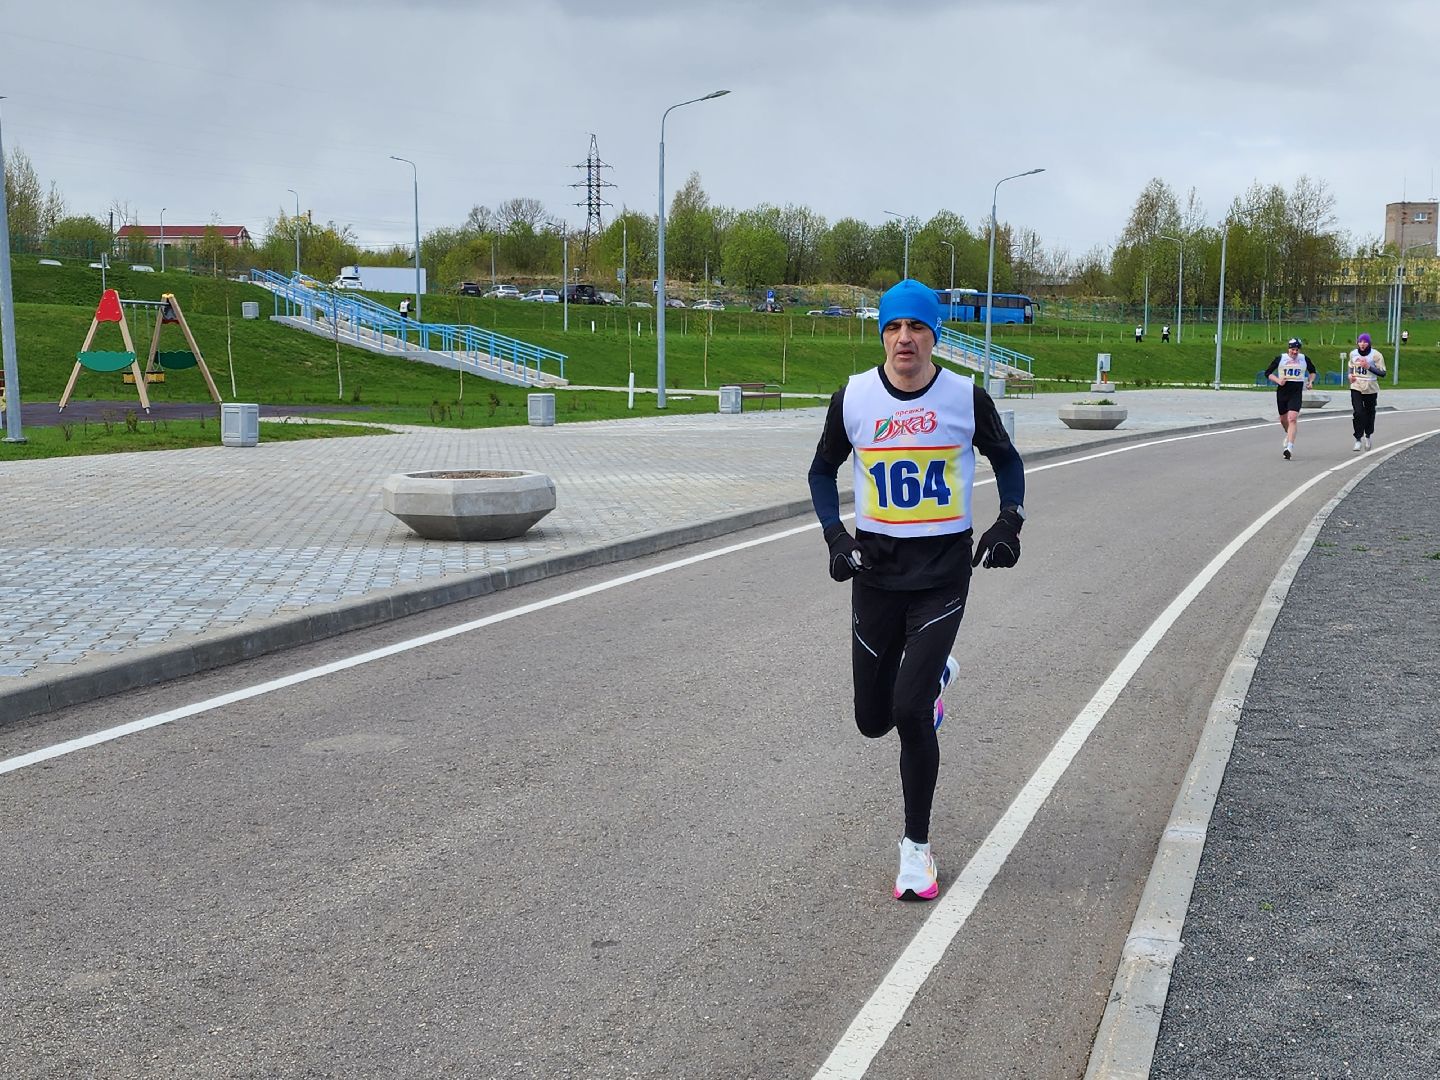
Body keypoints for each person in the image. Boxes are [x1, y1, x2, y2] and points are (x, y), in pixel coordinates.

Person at [808, 278, 1026, 902]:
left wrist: (1009, 521)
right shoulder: (853, 398)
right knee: (872, 721)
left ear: (934, 334)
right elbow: (822, 470)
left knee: (908, 712)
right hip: (876, 573)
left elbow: (1007, 461)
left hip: (941, 573)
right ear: (882, 334)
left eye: (918, 327)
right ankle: (934, 680)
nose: (905, 338)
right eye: (894, 327)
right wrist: (835, 536)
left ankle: (916, 853)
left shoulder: (965, 397)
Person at [1265, 337, 1316, 460]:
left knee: (1292, 418)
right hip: (1283, 391)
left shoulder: (1304, 359)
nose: (1295, 352)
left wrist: (1310, 382)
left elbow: (1312, 371)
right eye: (1293, 349)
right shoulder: (1281, 358)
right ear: (1288, 349)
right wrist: (1278, 380)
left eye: (1297, 350)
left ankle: (1289, 448)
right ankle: (1288, 435)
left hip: (1296, 392)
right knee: (1283, 420)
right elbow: (1268, 373)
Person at [1347, 332, 1386, 451]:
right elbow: (1351, 366)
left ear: (1369, 343)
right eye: (1360, 341)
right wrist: (1350, 375)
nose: (1362, 344)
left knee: (1369, 413)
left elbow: (1382, 373)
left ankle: (1368, 435)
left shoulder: (1376, 355)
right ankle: (1358, 438)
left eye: (1365, 342)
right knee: (1358, 412)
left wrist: (1368, 367)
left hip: (1370, 387)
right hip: (1357, 385)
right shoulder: (1353, 353)